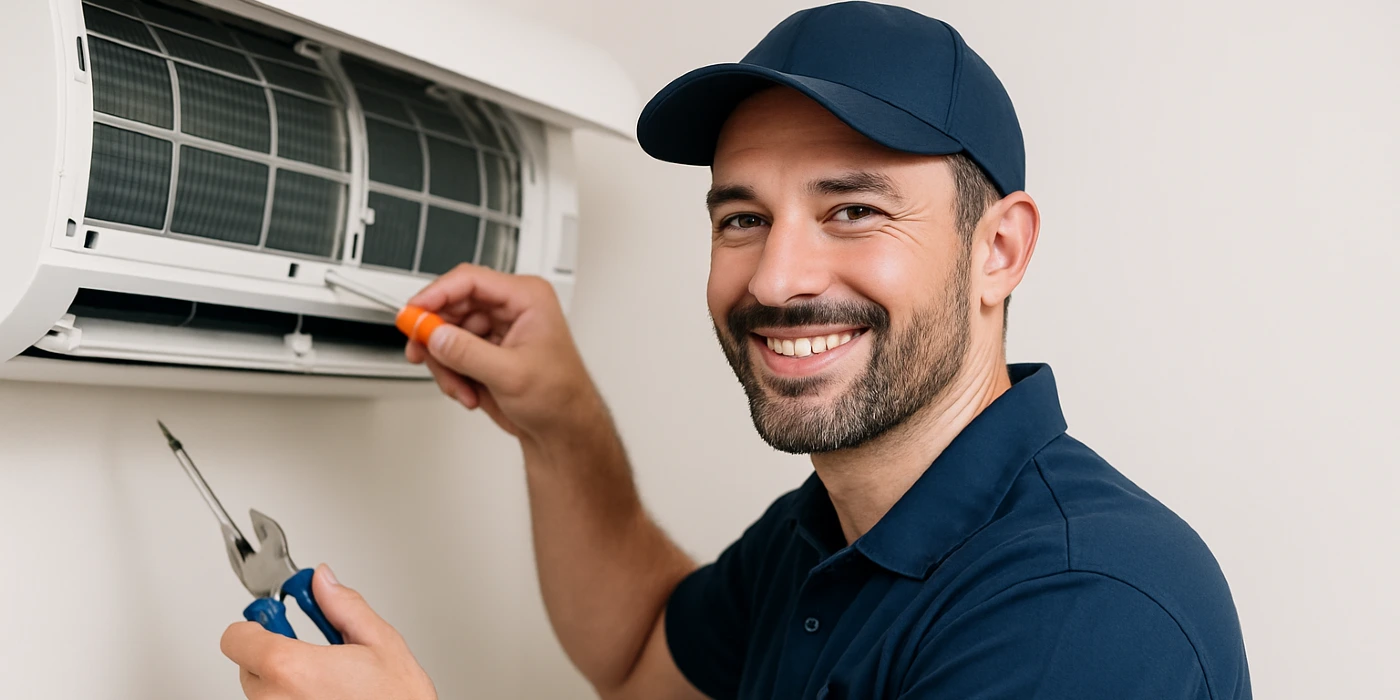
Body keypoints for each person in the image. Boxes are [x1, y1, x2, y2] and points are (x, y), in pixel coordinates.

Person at [219, 3, 1252, 698]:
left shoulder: (1084, 613)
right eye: (741, 219)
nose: (773, 278)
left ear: (998, 250)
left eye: (851, 208)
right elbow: (637, 657)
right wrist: (559, 419)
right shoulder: (827, 535)